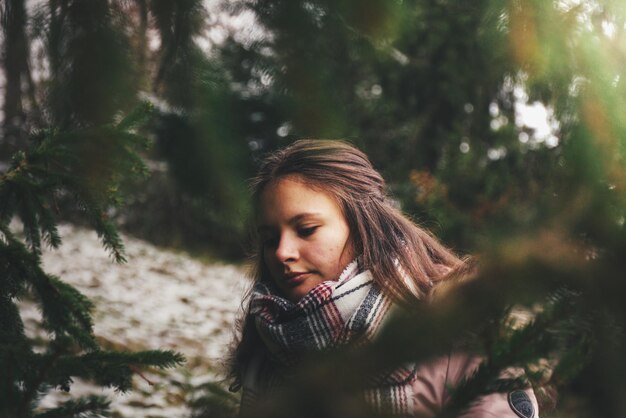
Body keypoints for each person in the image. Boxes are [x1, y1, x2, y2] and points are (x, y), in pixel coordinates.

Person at [228, 139, 539, 418]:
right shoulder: (268, 337)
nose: (282, 252)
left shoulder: (457, 325)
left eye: (306, 229)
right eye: (269, 239)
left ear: (362, 226)